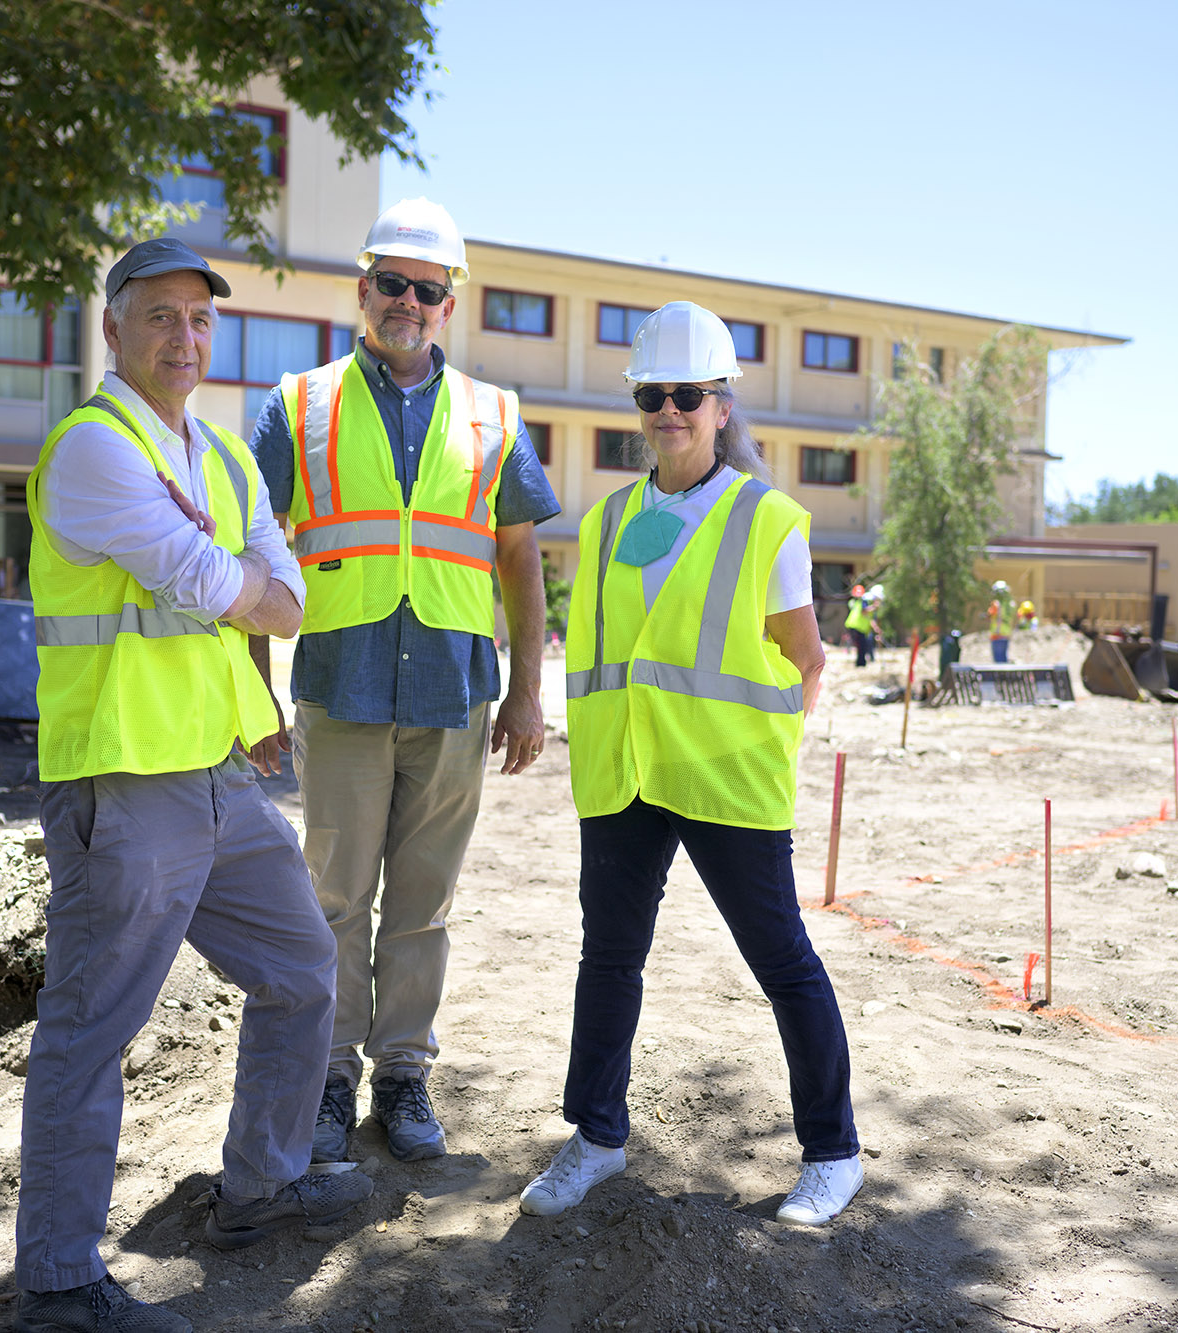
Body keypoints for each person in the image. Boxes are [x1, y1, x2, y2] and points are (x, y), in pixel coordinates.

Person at [15, 238, 371, 1333]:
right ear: (113, 328)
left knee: (303, 970)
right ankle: (62, 1279)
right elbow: (211, 581)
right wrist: (235, 576)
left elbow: (287, 600)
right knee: (91, 1028)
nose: (185, 336)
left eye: (200, 319)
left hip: (220, 774)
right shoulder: (92, 449)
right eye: (160, 316)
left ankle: (257, 1187)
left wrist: (238, 576)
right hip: (123, 783)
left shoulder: (219, 456)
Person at [519, 301, 862, 1227]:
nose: (668, 410)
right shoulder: (610, 519)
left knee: (782, 960)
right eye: (652, 395)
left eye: (687, 395)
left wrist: (763, 750)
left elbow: (806, 659)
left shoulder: (768, 520)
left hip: (722, 781)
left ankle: (834, 1152)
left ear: (720, 407)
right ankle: (596, 1136)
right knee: (609, 959)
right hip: (625, 776)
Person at [249, 198, 560, 1164]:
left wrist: (526, 692)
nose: (409, 303)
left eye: (428, 290)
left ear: (449, 304)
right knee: (332, 896)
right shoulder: (297, 405)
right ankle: (332, 1076)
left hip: (456, 691)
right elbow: (251, 558)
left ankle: (404, 1073)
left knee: (424, 900)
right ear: (363, 287)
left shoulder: (495, 414)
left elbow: (519, 560)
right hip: (339, 686)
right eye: (393, 283)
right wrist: (254, 694)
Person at [844, 583, 874, 668]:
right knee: (861, 645)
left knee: (860, 645)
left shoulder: (857, 602)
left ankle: (860, 662)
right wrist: (874, 607)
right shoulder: (863, 601)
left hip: (855, 626)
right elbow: (864, 612)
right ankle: (861, 663)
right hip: (857, 627)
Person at [987, 578, 1017, 664]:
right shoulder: (1010, 603)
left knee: (998, 660)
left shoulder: (996, 604)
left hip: (997, 634)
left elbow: (990, 614)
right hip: (1005, 634)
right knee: (1003, 658)